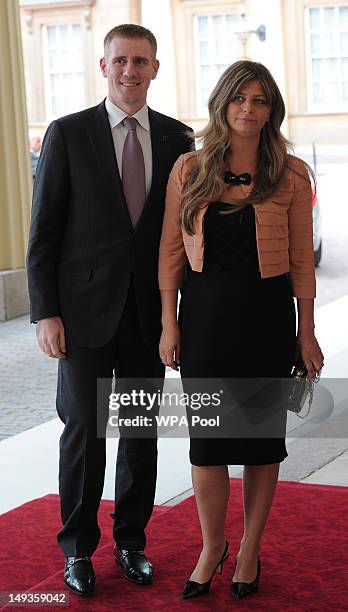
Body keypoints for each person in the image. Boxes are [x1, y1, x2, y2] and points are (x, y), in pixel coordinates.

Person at [26, 24, 192, 596]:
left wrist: (181, 317)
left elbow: (181, 238)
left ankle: (131, 542)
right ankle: (76, 550)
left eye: (141, 61)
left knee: (140, 432)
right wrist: (46, 312)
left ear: (155, 68)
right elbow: (43, 233)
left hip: (147, 315)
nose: (130, 71)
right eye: (120, 60)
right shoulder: (68, 135)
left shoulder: (177, 140)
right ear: (104, 67)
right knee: (83, 433)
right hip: (81, 315)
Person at [158, 60, 324, 601]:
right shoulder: (188, 169)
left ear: (271, 109)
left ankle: (250, 547)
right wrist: (168, 321)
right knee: (206, 445)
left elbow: (302, 260)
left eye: (260, 100)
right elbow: (169, 252)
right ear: (222, 103)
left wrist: (307, 333)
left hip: (267, 320)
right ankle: (212, 546)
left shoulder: (292, 173)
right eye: (239, 98)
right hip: (203, 320)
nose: (248, 109)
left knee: (258, 444)